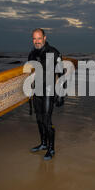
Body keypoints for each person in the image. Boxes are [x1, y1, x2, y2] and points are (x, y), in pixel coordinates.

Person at [28, 28, 64, 160]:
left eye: (39, 38)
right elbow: (31, 73)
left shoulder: (53, 52)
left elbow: (61, 73)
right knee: (39, 119)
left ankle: (51, 149)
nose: (36, 41)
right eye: (34, 38)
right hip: (37, 91)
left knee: (47, 121)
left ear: (44, 37)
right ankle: (43, 144)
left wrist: (61, 94)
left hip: (49, 91)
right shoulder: (32, 54)